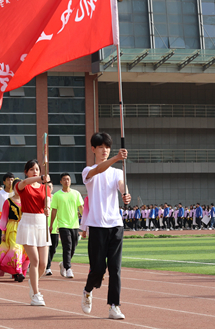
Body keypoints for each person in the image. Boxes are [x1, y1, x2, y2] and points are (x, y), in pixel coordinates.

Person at [81, 132, 131, 320]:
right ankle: (87, 290)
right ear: (93, 149)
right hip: (96, 226)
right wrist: (117, 158)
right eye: (101, 147)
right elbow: (100, 170)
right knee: (98, 270)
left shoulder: (118, 171)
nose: (104, 150)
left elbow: (122, 186)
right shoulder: (88, 171)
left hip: (115, 225)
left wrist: (126, 194)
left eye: (107, 147)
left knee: (115, 269)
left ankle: (114, 306)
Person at [16, 160, 52, 307]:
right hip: (28, 222)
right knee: (35, 261)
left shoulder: (45, 188)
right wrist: (40, 178)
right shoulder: (22, 186)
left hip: (42, 223)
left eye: (37, 169)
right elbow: (24, 183)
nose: (35, 171)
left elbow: (48, 201)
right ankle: (36, 294)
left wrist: (48, 208)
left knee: (43, 263)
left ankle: (33, 283)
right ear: (26, 172)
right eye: (32, 169)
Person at [0, 179, 30, 281]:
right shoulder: (8, 202)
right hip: (12, 227)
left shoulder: (26, 200)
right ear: (14, 188)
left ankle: (19, 272)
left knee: (25, 251)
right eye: (17, 186)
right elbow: (4, 218)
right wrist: (3, 232)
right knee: (15, 249)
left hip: (25, 227)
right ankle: (18, 272)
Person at [49, 173, 83, 279]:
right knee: (67, 246)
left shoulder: (76, 193)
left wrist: (86, 221)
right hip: (63, 225)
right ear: (61, 182)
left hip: (74, 224)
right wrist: (51, 225)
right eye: (64, 179)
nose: (66, 181)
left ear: (70, 181)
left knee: (73, 247)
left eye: (68, 179)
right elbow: (54, 210)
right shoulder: (57, 195)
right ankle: (68, 268)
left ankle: (63, 263)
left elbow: (81, 207)